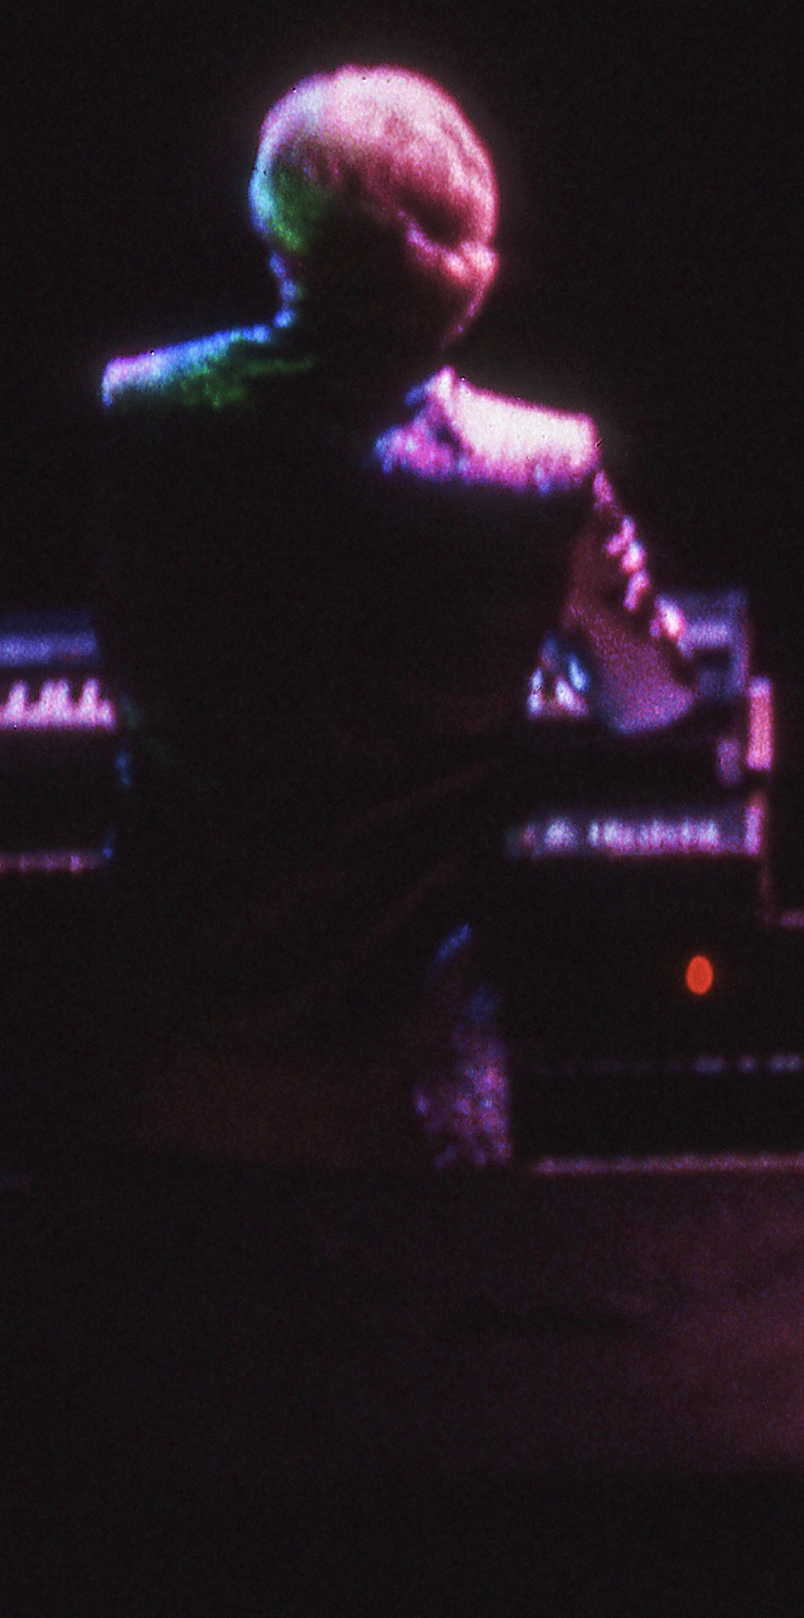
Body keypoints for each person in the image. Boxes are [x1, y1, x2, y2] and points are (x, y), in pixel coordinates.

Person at [89, 66, 691, 1168]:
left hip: (170, 1063)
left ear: (284, 238)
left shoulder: (144, 410)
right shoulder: (543, 466)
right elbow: (650, 702)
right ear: (470, 264)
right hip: (407, 1087)